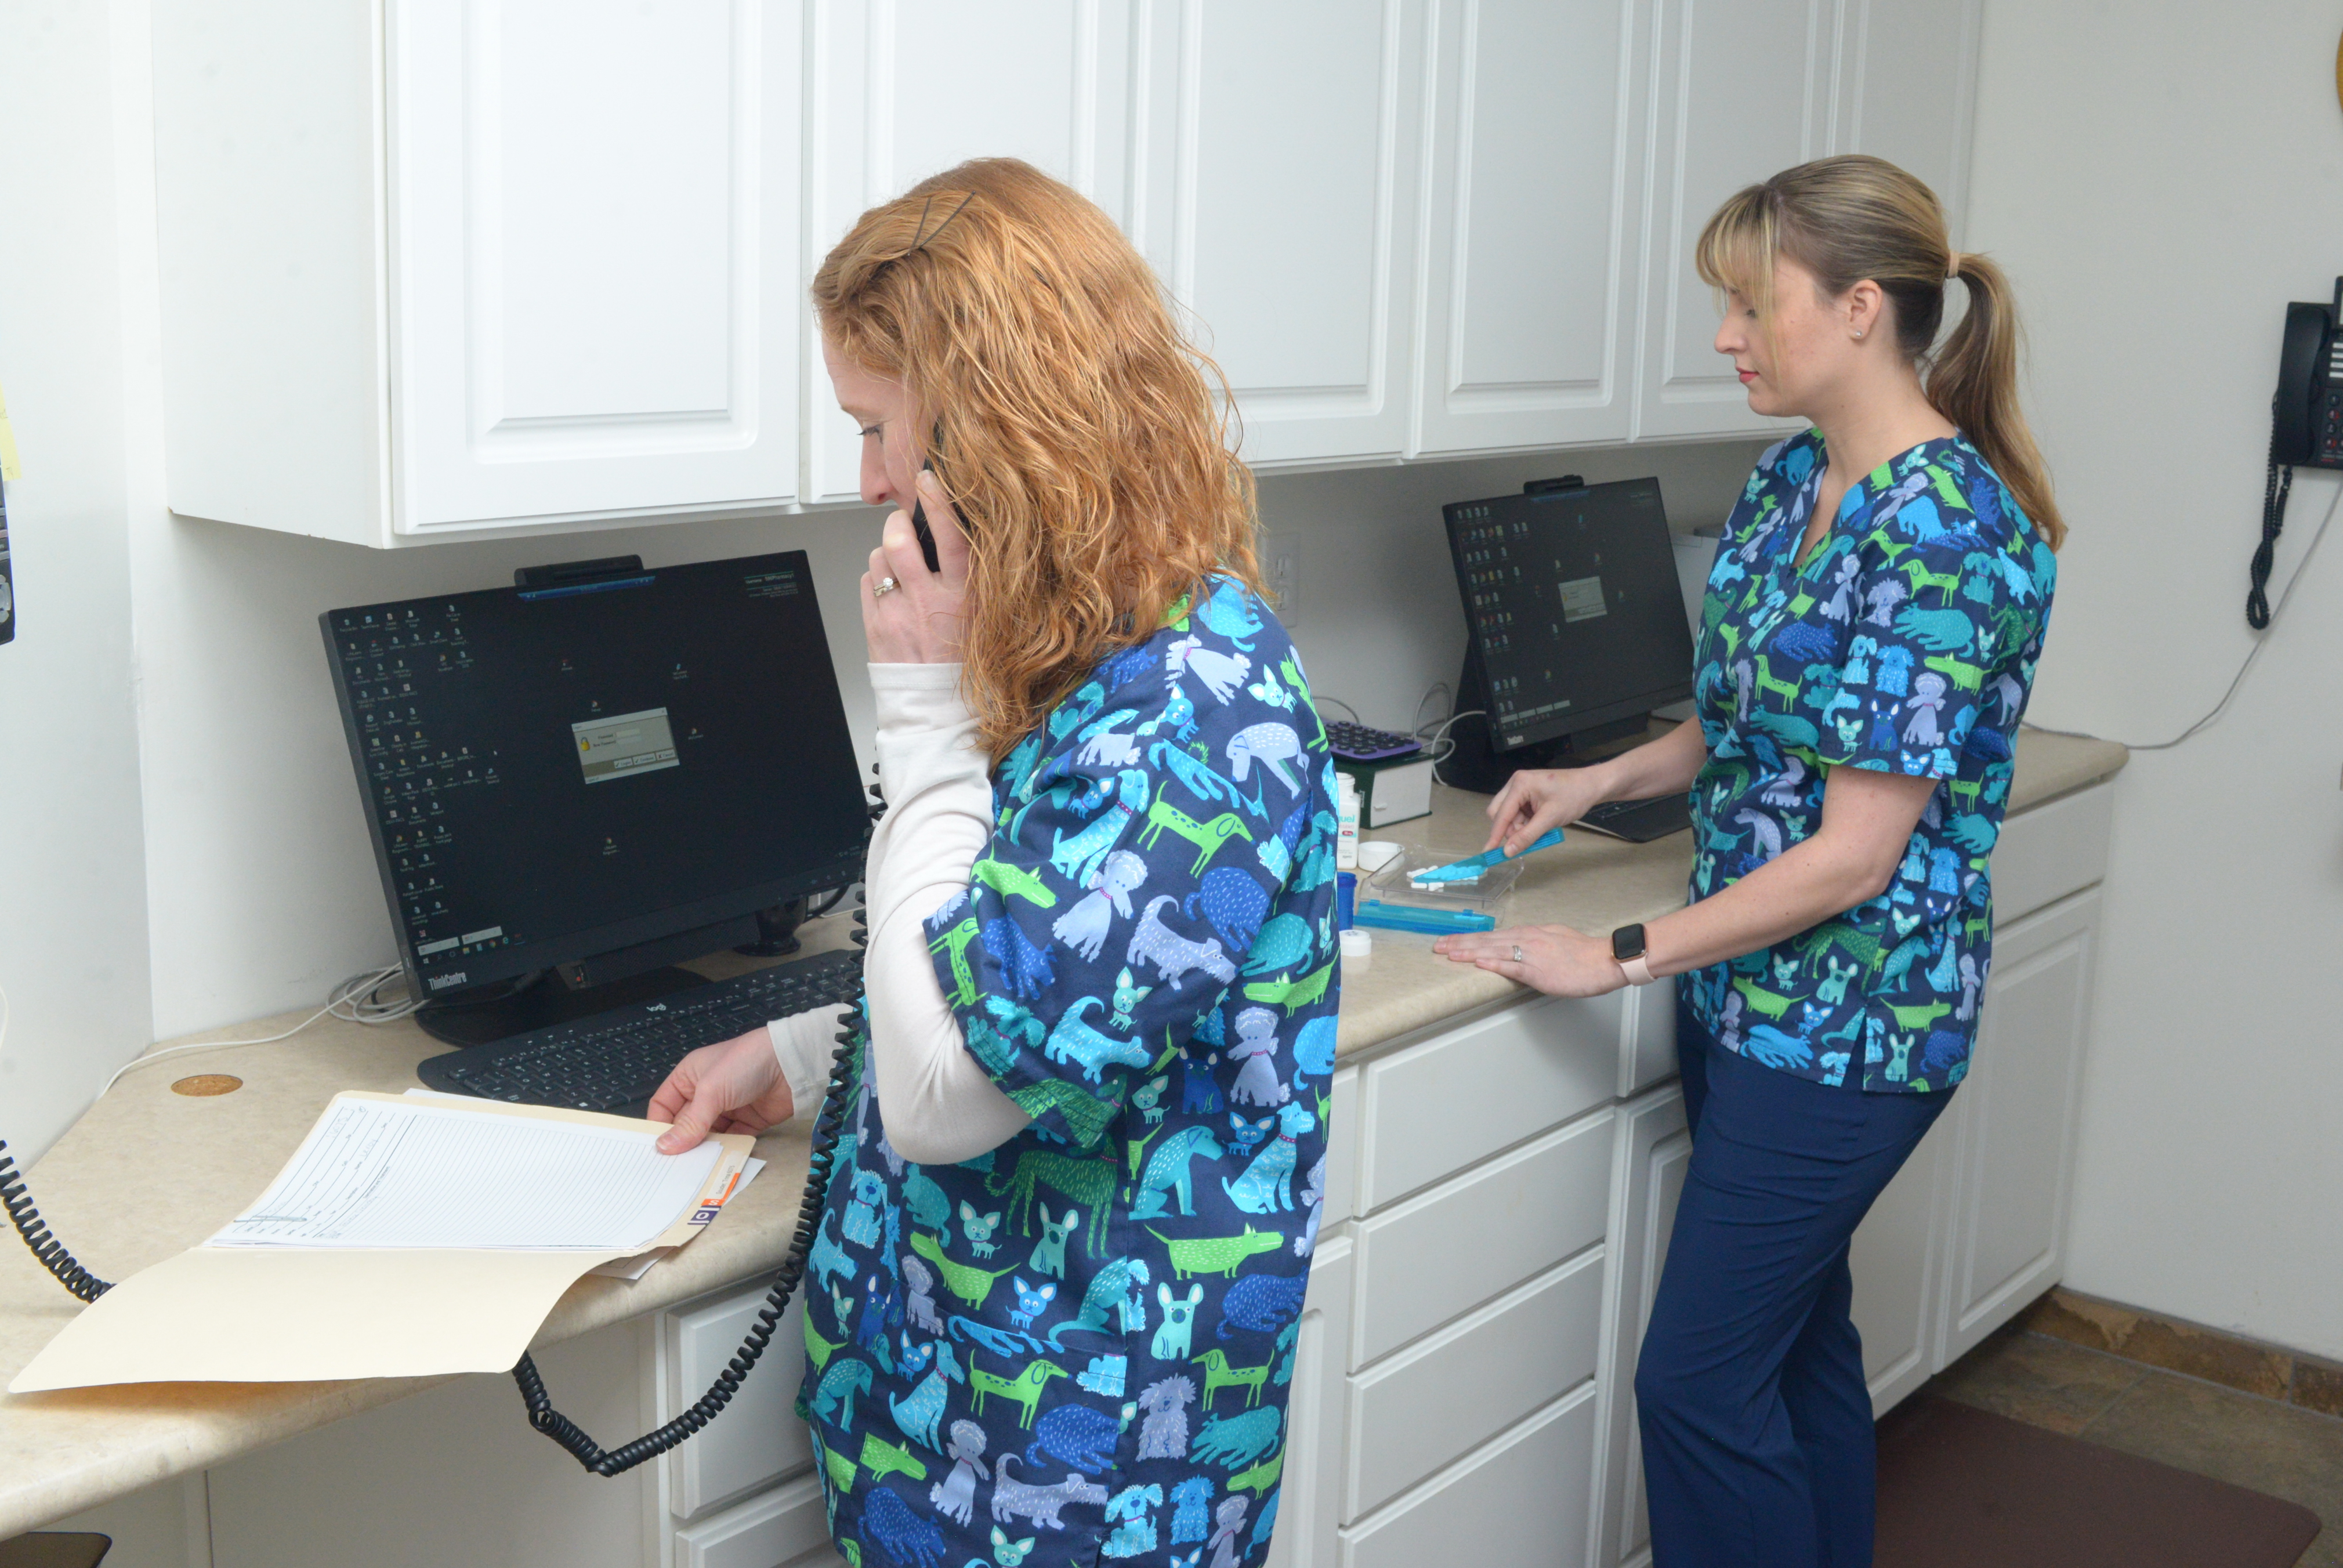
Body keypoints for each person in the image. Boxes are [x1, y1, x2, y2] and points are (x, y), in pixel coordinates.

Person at [647, 158, 1340, 1568]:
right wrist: (798, 1043)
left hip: (1083, 1482)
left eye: (878, 428)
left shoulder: (1191, 709)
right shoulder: (1065, 652)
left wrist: (920, 723)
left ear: (995, 430)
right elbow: (992, 959)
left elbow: (951, 1104)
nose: (864, 480)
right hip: (936, 1425)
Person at [1432, 154, 2062, 1566]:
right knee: (1795, 1353)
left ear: (1855, 308)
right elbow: (1746, 725)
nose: (1722, 334)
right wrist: (1596, 774)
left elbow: (1851, 855)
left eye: (1744, 301)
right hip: (1749, 1003)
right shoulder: (1792, 482)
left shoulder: (1946, 532)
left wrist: (1613, 953)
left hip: (1853, 1029)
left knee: (1695, 1382)